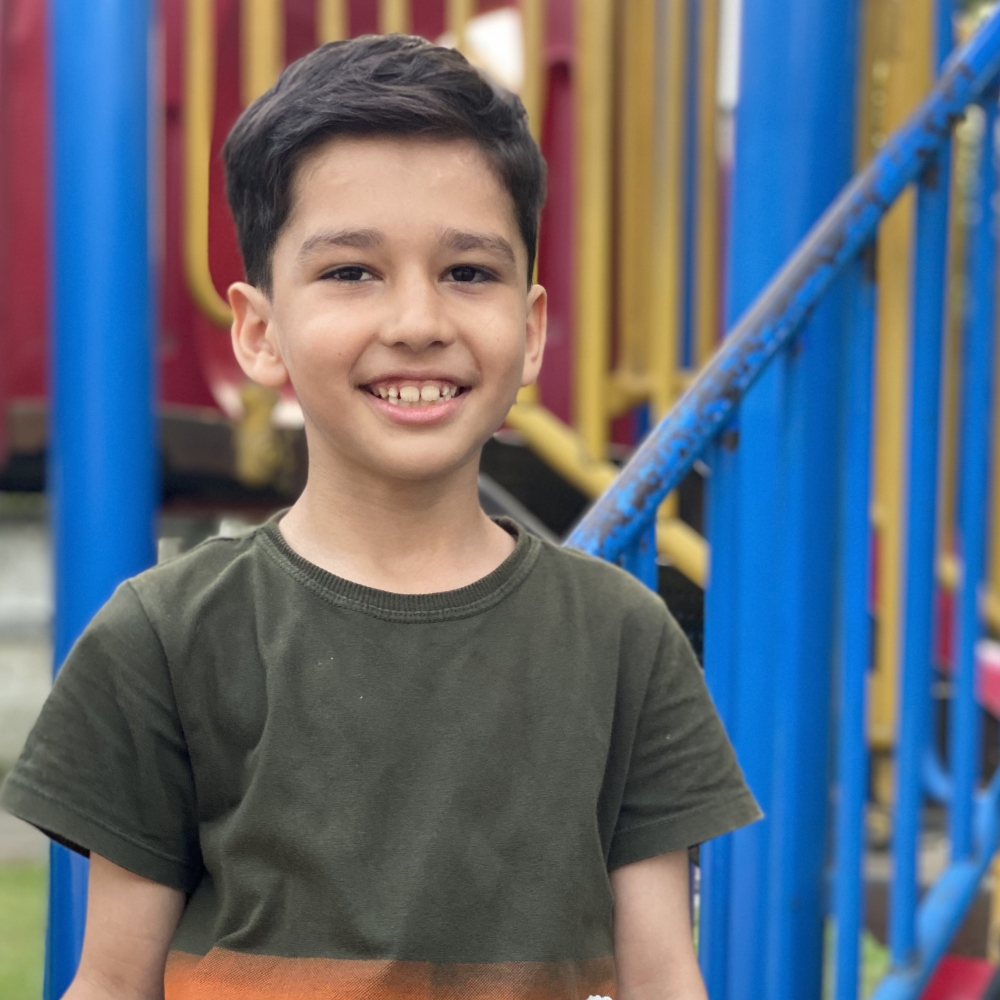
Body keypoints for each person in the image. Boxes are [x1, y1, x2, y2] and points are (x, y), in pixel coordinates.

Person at [2, 34, 759, 1000]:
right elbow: (112, 983)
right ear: (259, 331)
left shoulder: (624, 639)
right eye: (352, 272)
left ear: (531, 331)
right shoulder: (163, 637)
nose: (417, 323)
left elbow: (661, 977)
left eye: (468, 273)